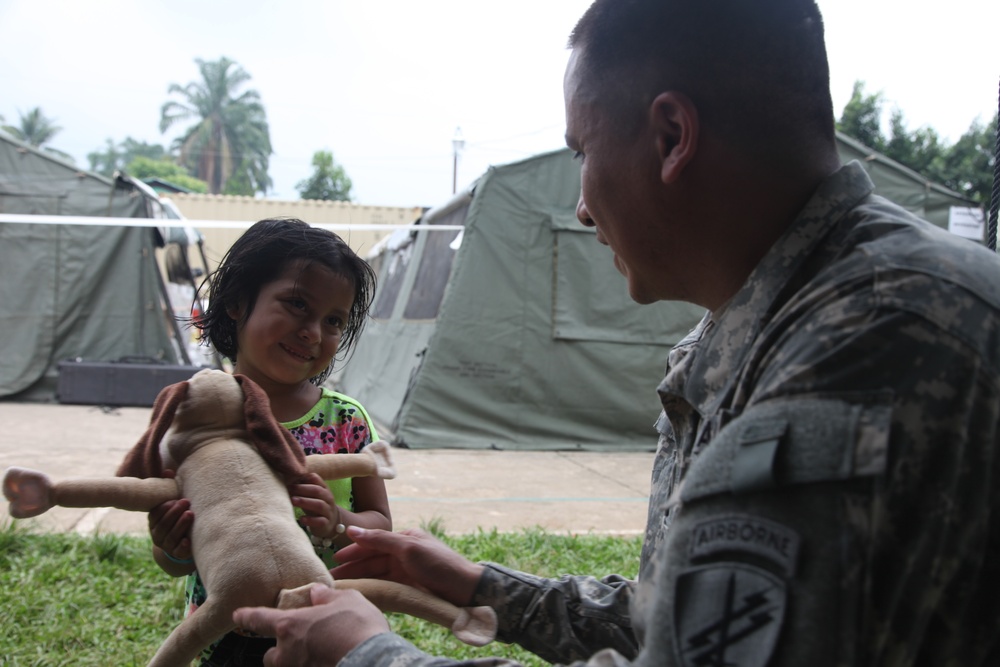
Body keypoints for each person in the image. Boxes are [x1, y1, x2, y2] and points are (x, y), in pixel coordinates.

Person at [234, 1, 1000, 665]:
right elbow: (690, 618)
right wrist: (475, 583)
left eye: (583, 152)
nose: (582, 207)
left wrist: (367, 654)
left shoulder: (877, 339)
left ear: (671, 135)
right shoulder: (766, 335)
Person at [147, 217, 391, 666]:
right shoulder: (194, 417)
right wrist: (171, 545)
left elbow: (380, 524)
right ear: (238, 302)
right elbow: (175, 560)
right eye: (297, 304)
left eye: (333, 320)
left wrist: (337, 520)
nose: (313, 332)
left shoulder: (345, 421)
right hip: (226, 630)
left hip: (327, 628)